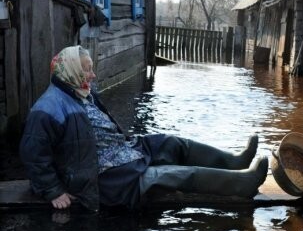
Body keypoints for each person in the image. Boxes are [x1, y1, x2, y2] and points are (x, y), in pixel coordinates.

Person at [19, 45, 268, 211]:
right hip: (102, 177)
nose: (93, 75)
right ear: (71, 70)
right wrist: (53, 190)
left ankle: (235, 162)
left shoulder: (79, 90)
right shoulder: (48, 108)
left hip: (122, 151)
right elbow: (32, 153)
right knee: (169, 174)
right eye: (87, 69)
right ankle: (243, 184)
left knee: (172, 143)